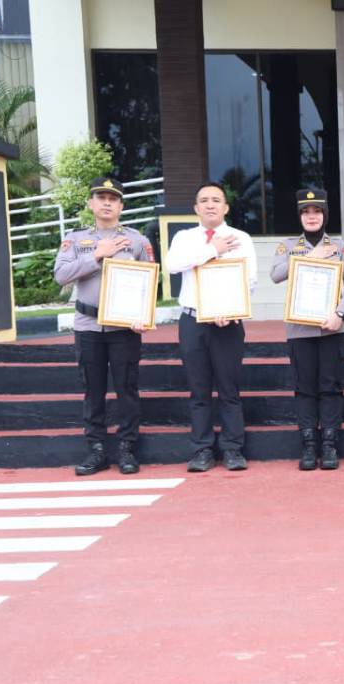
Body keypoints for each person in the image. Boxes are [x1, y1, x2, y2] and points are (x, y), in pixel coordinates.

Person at [53, 177, 154, 476]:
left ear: (121, 206)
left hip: (124, 328)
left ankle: (126, 448)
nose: (107, 203)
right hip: (88, 326)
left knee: (127, 389)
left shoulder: (137, 240)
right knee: (92, 390)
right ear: (91, 203)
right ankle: (96, 449)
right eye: (101, 197)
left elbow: (149, 282)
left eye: (113, 198)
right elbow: (61, 275)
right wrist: (98, 254)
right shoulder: (75, 239)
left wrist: (143, 316)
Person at [164, 182, 258, 472]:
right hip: (193, 321)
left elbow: (249, 280)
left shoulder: (241, 238)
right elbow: (173, 265)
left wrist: (231, 309)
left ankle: (232, 449)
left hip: (228, 321)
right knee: (199, 389)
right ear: (196, 208)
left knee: (229, 389)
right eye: (204, 200)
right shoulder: (184, 238)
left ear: (226, 207)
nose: (210, 205)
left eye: (216, 200)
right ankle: (202, 449)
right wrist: (211, 249)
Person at [271, 188, 344, 471]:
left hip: (332, 328)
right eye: (306, 212)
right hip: (300, 329)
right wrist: (313, 256)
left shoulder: (340, 246)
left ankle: (330, 444)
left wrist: (340, 314)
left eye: (317, 211)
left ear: (325, 215)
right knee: (305, 388)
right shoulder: (288, 246)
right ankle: (309, 445)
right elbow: (276, 275)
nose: (312, 217)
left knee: (331, 387)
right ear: (299, 216)